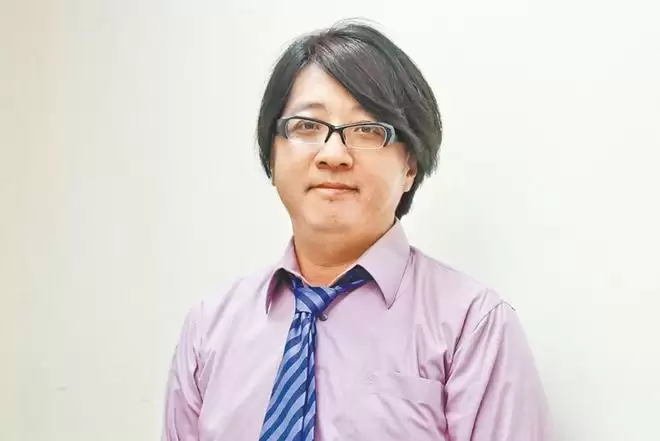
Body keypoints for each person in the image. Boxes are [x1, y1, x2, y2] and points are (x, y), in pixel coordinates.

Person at [162, 20, 551, 441]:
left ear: (410, 165)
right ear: (271, 157)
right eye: (307, 126)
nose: (333, 154)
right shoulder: (209, 330)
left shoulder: (472, 328)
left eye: (367, 129)